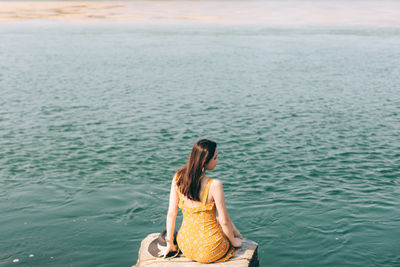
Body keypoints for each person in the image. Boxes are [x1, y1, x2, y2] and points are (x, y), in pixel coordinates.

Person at [160, 139, 242, 263]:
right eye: (215, 158)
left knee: (219, 221)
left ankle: (237, 235)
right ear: (205, 161)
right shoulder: (214, 185)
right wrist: (234, 242)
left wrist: (170, 243)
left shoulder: (178, 177)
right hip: (210, 250)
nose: (217, 161)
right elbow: (225, 221)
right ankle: (240, 237)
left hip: (186, 245)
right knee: (223, 221)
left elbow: (171, 214)